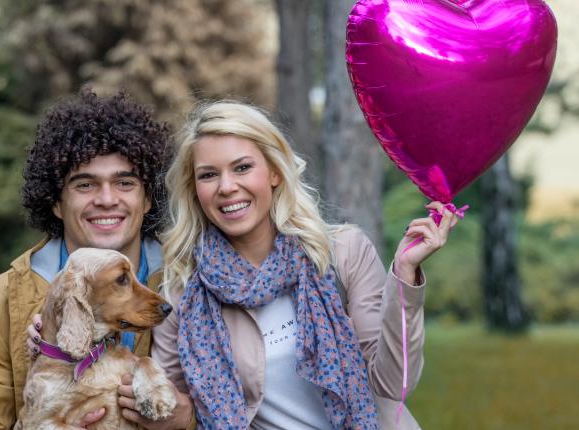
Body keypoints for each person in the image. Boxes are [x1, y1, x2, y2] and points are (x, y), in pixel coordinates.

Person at [145, 101, 457, 429]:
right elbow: (169, 408)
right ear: (195, 190)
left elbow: (395, 383)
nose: (226, 187)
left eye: (242, 168)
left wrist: (405, 276)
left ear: (275, 172)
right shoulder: (180, 292)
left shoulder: (342, 253)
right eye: (208, 175)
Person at [0, 90, 192, 429]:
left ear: (148, 199)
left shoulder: (190, 285)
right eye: (85, 184)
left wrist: (187, 419)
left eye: (124, 182)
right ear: (56, 203)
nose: (106, 199)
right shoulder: (0, 302)